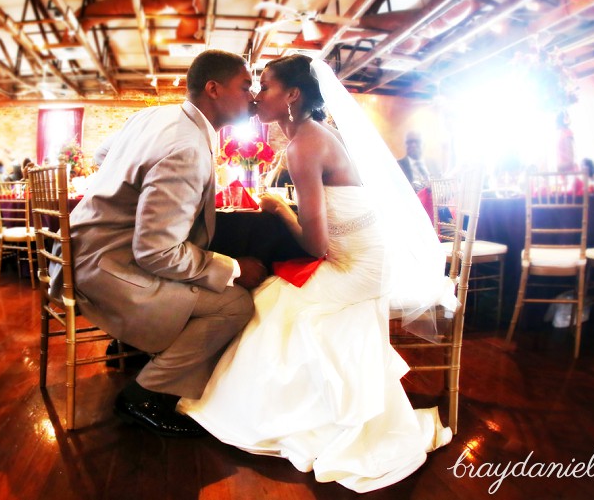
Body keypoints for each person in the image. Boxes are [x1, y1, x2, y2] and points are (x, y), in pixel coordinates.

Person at [178, 55, 453, 492]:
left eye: (263, 86)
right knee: (272, 296)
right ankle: (296, 408)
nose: (255, 94)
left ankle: (294, 418)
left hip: (359, 267)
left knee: (271, 307)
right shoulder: (310, 135)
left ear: (292, 95)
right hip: (357, 256)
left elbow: (315, 245)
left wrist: (278, 208)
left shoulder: (304, 144)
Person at [61, 49, 268, 438]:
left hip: (82, 250)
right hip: (103, 269)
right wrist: (235, 268)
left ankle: (142, 346)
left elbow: (104, 154)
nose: (253, 97)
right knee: (234, 304)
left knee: (196, 277)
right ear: (214, 89)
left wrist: (128, 202)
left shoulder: (156, 114)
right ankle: (145, 393)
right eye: (246, 87)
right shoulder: (187, 147)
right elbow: (156, 251)